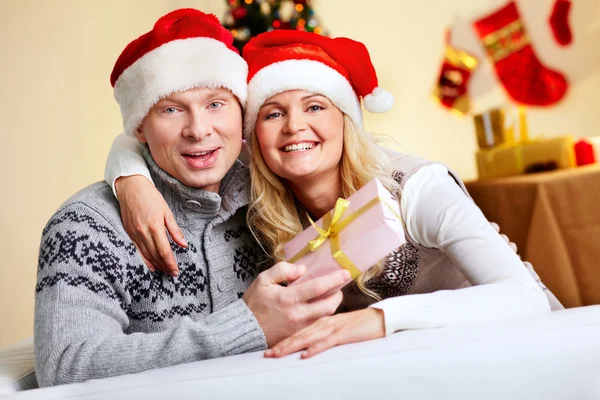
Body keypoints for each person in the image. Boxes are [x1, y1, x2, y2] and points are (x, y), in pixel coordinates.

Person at [106, 30, 562, 360]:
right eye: (272, 114)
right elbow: (150, 134)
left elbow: (526, 298)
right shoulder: (256, 192)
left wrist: (380, 319)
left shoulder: (417, 187)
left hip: (521, 349)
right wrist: (132, 183)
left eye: (316, 107)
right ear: (254, 138)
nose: (294, 127)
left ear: (346, 120)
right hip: (413, 368)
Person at [34, 9, 349, 387]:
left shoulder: (275, 191)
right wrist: (244, 327)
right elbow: (65, 366)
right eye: (171, 109)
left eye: (216, 104)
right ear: (140, 129)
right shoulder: (86, 226)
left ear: (241, 115)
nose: (199, 130)